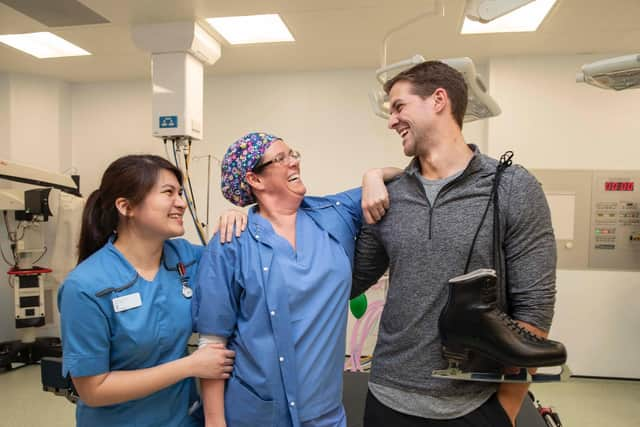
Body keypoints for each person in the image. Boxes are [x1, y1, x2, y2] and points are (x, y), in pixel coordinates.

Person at [351, 61, 557, 427]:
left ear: (438, 100)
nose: (391, 121)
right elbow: (349, 279)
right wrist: (265, 215)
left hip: (473, 405)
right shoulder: (388, 197)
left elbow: (535, 310)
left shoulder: (512, 187)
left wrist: (504, 411)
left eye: (399, 106)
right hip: (387, 398)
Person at [192, 132, 401, 427]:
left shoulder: (335, 213)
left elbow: (401, 178)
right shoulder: (231, 241)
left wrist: (373, 174)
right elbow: (213, 342)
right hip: (255, 415)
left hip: (325, 414)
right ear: (255, 180)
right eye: (281, 158)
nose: (294, 163)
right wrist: (215, 422)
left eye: (293, 154)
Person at [58, 154, 238, 427]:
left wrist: (236, 217)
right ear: (126, 206)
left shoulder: (186, 258)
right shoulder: (86, 286)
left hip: (183, 419)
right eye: (168, 193)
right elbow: (93, 389)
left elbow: (232, 260)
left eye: (180, 193)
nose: (181, 203)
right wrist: (190, 366)